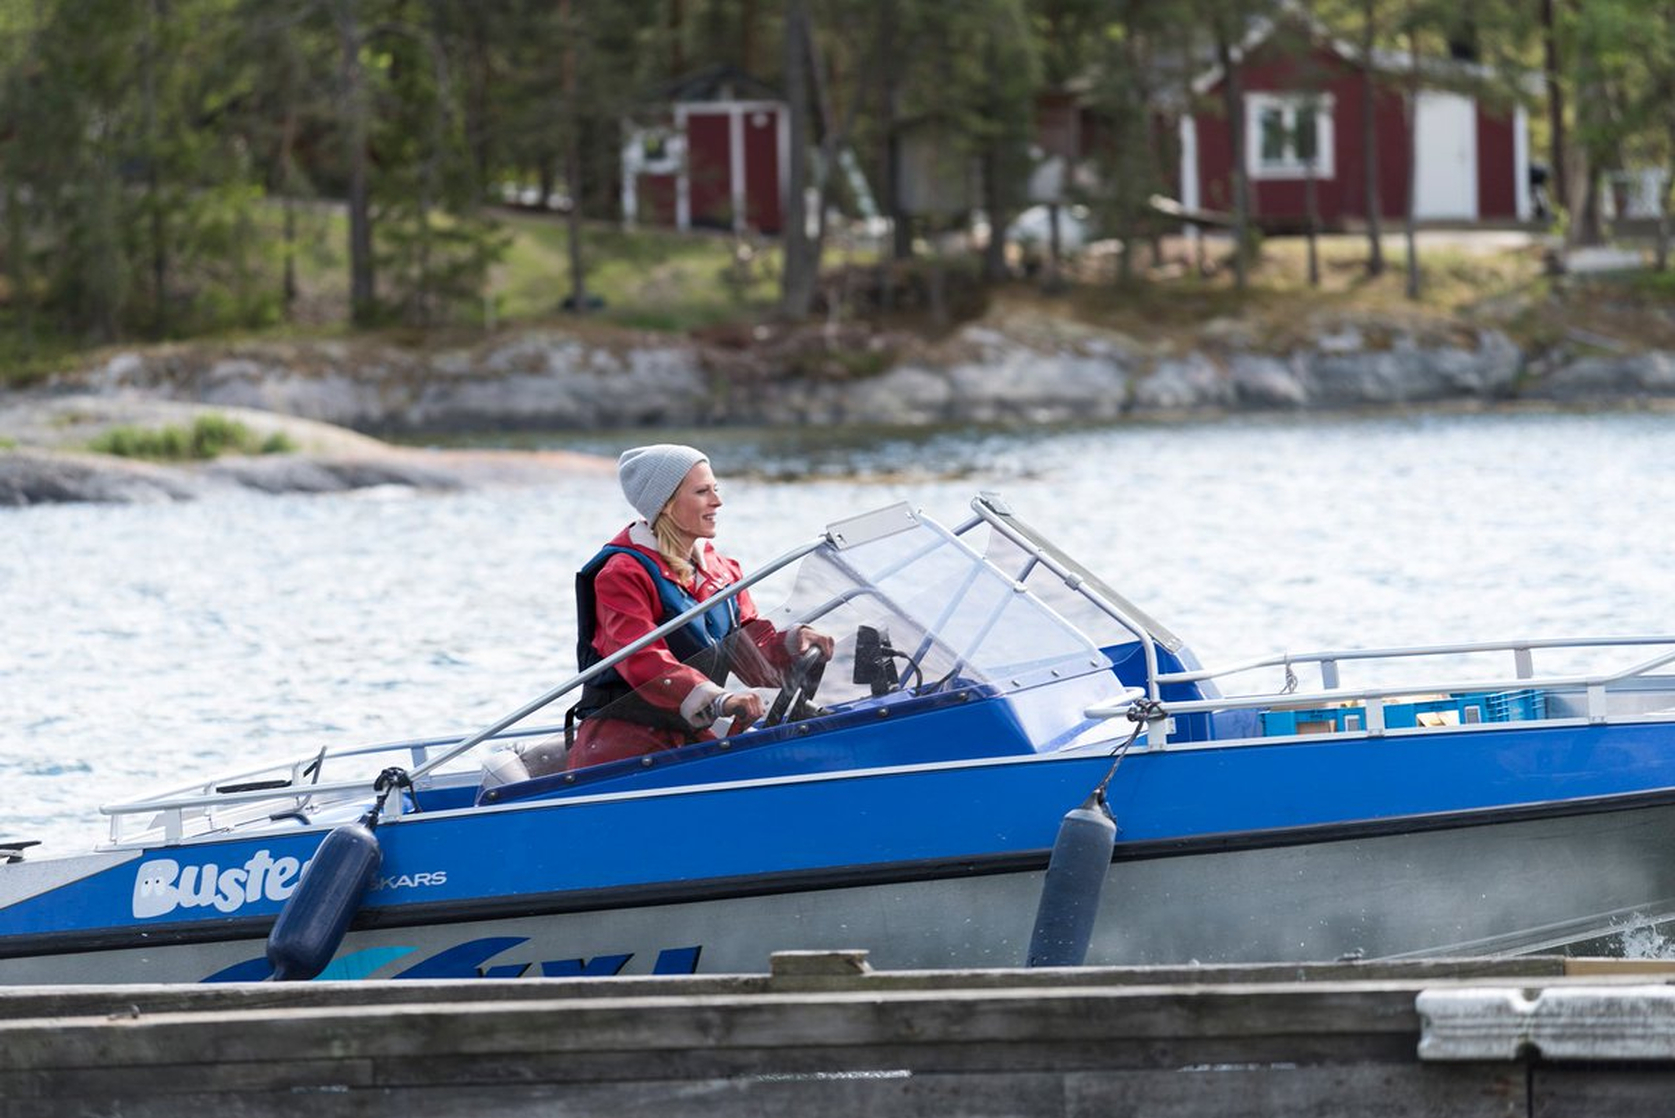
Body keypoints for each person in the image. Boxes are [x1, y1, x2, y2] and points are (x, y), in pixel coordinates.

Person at [560, 444, 832, 771]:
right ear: (666, 504)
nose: (717, 501)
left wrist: (793, 643)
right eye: (702, 492)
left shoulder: (722, 569)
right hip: (625, 751)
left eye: (715, 489)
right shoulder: (621, 574)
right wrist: (719, 699)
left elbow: (751, 655)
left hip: (691, 738)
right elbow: (642, 659)